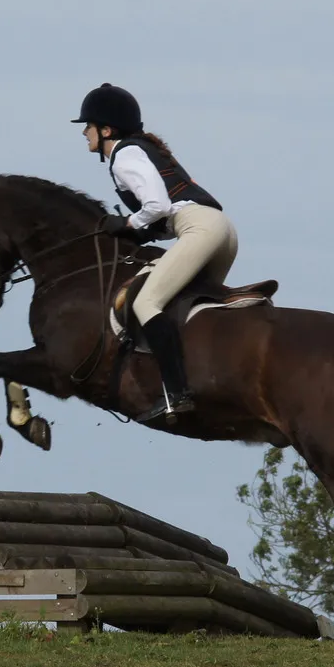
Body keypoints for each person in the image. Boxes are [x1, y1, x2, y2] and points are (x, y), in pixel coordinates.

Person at [71, 83, 237, 423]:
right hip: (222, 231)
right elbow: (163, 212)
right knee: (190, 313)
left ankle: (177, 395)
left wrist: (128, 223)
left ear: (106, 129)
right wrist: (141, 231)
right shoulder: (142, 148)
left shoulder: (123, 155)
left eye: (88, 126)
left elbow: (158, 205)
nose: (84, 132)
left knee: (147, 302)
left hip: (198, 229)